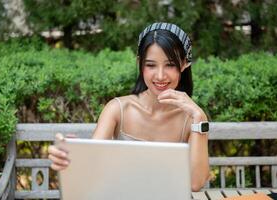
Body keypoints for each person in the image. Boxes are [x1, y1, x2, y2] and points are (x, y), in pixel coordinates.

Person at [48, 22, 209, 191]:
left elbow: (195, 183)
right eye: (151, 65)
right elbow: (92, 165)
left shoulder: (191, 119)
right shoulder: (118, 109)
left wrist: (200, 117)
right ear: (140, 63)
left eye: (170, 64)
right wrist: (70, 158)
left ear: (184, 63)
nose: (160, 76)